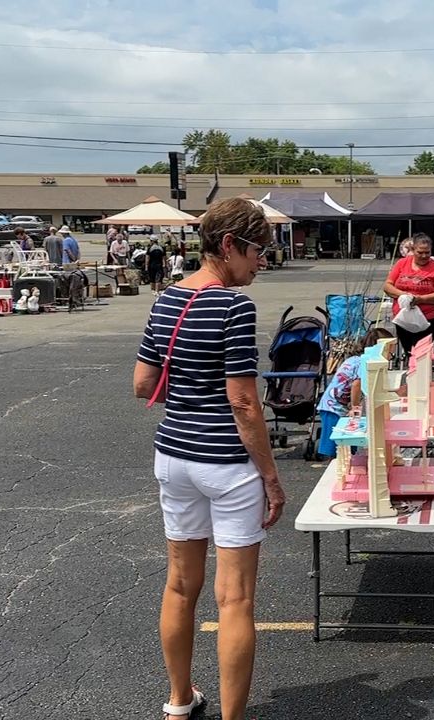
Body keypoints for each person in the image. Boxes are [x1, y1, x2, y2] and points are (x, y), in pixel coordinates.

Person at [132, 197, 282, 720]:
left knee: (179, 583)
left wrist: (189, 382)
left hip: (174, 456)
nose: (262, 261)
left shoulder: (167, 299)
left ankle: (179, 700)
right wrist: (271, 476)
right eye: (258, 250)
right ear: (229, 246)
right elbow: (243, 402)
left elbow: (142, 385)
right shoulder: (236, 307)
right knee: (235, 599)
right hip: (225, 463)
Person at [316, 327, 394, 458]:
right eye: (389, 353)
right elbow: (357, 384)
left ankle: (346, 460)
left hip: (335, 404)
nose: (390, 357)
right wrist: (355, 407)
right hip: (334, 407)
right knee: (338, 444)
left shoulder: (357, 359)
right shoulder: (364, 362)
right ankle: (336, 466)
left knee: (349, 438)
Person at [382, 232, 434, 352]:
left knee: (421, 353)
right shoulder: (402, 263)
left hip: (428, 319)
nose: (424, 256)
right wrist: (403, 295)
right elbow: (388, 286)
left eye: (427, 252)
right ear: (413, 250)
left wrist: (420, 299)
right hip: (402, 318)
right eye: (420, 252)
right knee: (409, 350)